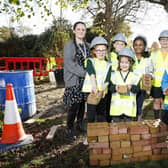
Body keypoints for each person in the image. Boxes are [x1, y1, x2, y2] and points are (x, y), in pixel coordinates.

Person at [63, 21, 90, 140]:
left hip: (86, 81)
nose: (80, 31)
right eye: (78, 29)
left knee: (82, 103)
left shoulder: (87, 45)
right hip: (75, 79)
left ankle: (79, 124)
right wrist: (85, 73)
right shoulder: (69, 45)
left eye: (83, 29)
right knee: (74, 105)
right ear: (73, 31)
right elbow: (69, 63)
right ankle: (69, 127)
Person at [82, 36, 111, 122]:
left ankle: (99, 132)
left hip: (102, 92)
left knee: (100, 114)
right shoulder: (90, 61)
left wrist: (102, 90)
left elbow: (107, 79)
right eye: (98, 50)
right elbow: (92, 74)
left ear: (106, 51)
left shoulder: (108, 64)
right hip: (91, 91)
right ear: (94, 51)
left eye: (103, 50)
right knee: (91, 114)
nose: (101, 52)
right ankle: (91, 133)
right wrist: (94, 88)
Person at [109, 48, 140, 122]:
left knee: (128, 129)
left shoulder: (135, 76)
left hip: (129, 109)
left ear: (131, 63)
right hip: (116, 109)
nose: (124, 65)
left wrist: (131, 87)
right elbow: (110, 88)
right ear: (119, 63)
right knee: (117, 129)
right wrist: (115, 88)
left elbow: (137, 90)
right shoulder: (113, 75)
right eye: (122, 62)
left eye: (126, 62)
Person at [106, 33, 127, 122]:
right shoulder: (108, 56)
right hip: (111, 85)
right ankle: (109, 122)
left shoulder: (127, 56)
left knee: (121, 105)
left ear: (125, 45)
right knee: (110, 106)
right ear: (114, 44)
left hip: (123, 85)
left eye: (122, 44)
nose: (119, 46)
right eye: (117, 43)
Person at [133, 36, 153, 121]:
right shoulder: (130, 57)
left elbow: (151, 72)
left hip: (142, 87)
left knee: (139, 106)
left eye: (140, 45)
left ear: (144, 46)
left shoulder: (148, 59)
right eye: (136, 45)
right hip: (131, 85)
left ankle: (138, 123)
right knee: (131, 106)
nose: (138, 47)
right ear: (133, 46)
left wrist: (150, 77)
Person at [150, 30, 168, 119]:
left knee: (165, 102)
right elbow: (150, 68)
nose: (165, 42)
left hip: (167, 84)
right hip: (156, 83)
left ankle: (164, 121)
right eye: (163, 39)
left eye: (167, 39)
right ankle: (157, 119)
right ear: (160, 41)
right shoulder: (154, 54)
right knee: (157, 101)